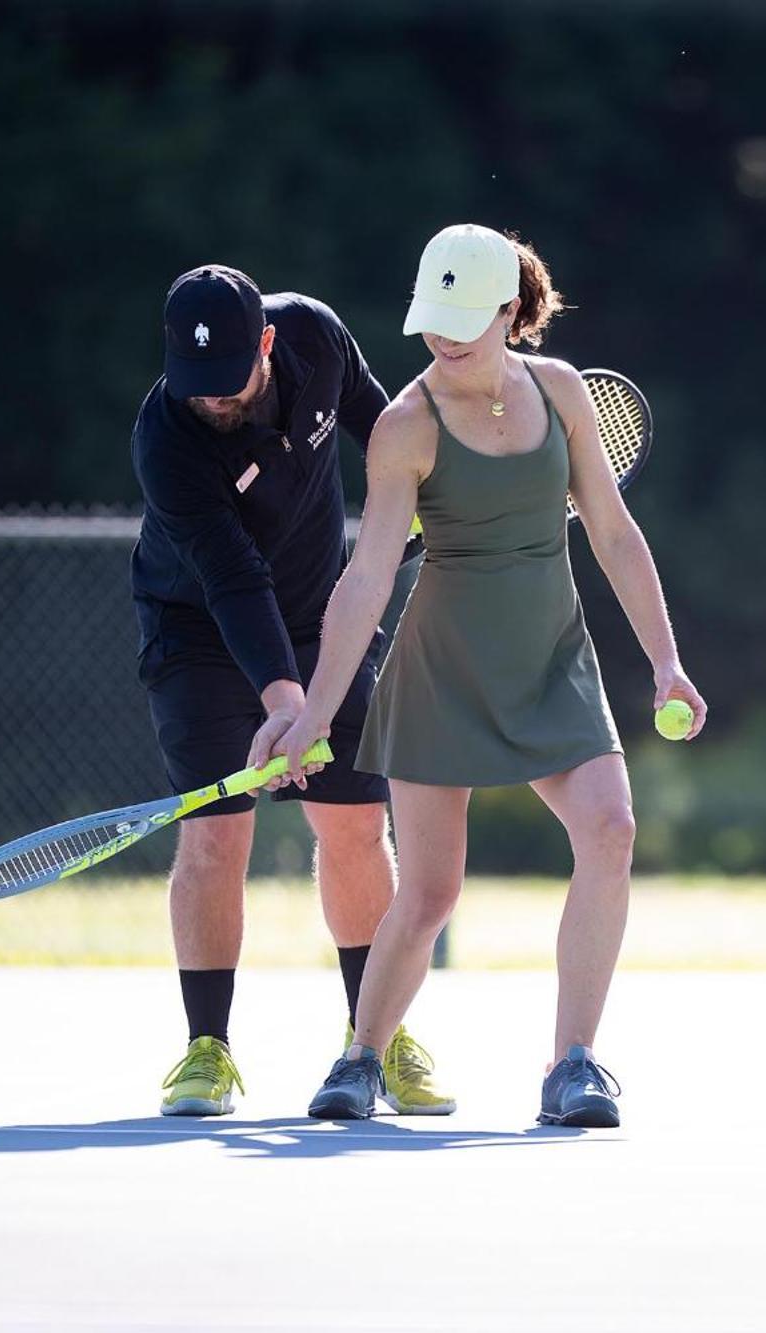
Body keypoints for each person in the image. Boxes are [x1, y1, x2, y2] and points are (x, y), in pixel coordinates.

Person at [248, 224, 706, 1127]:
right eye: (434, 320)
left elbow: (612, 533)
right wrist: (314, 716)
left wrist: (666, 662)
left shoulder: (564, 393)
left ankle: (573, 1064)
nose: (445, 339)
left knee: (611, 829)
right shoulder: (404, 427)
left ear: (511, 311)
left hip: (552, 661)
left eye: (466, 319)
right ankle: (361, 1057)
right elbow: (369, 575)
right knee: (427, 894)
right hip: (442, 668)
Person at [130, 264, 451, 1117]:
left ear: (267, 343)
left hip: (323, 619)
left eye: (228, 380)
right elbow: (232, 578)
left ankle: (372, 1043)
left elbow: (385, 431)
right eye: (194, 382)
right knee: (214, 834)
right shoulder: (166, 435)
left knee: (353, 825)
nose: (212, 399)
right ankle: (207, 1049)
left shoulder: (314, 334)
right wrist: (283, 704)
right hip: (196, 628)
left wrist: (432, 507)